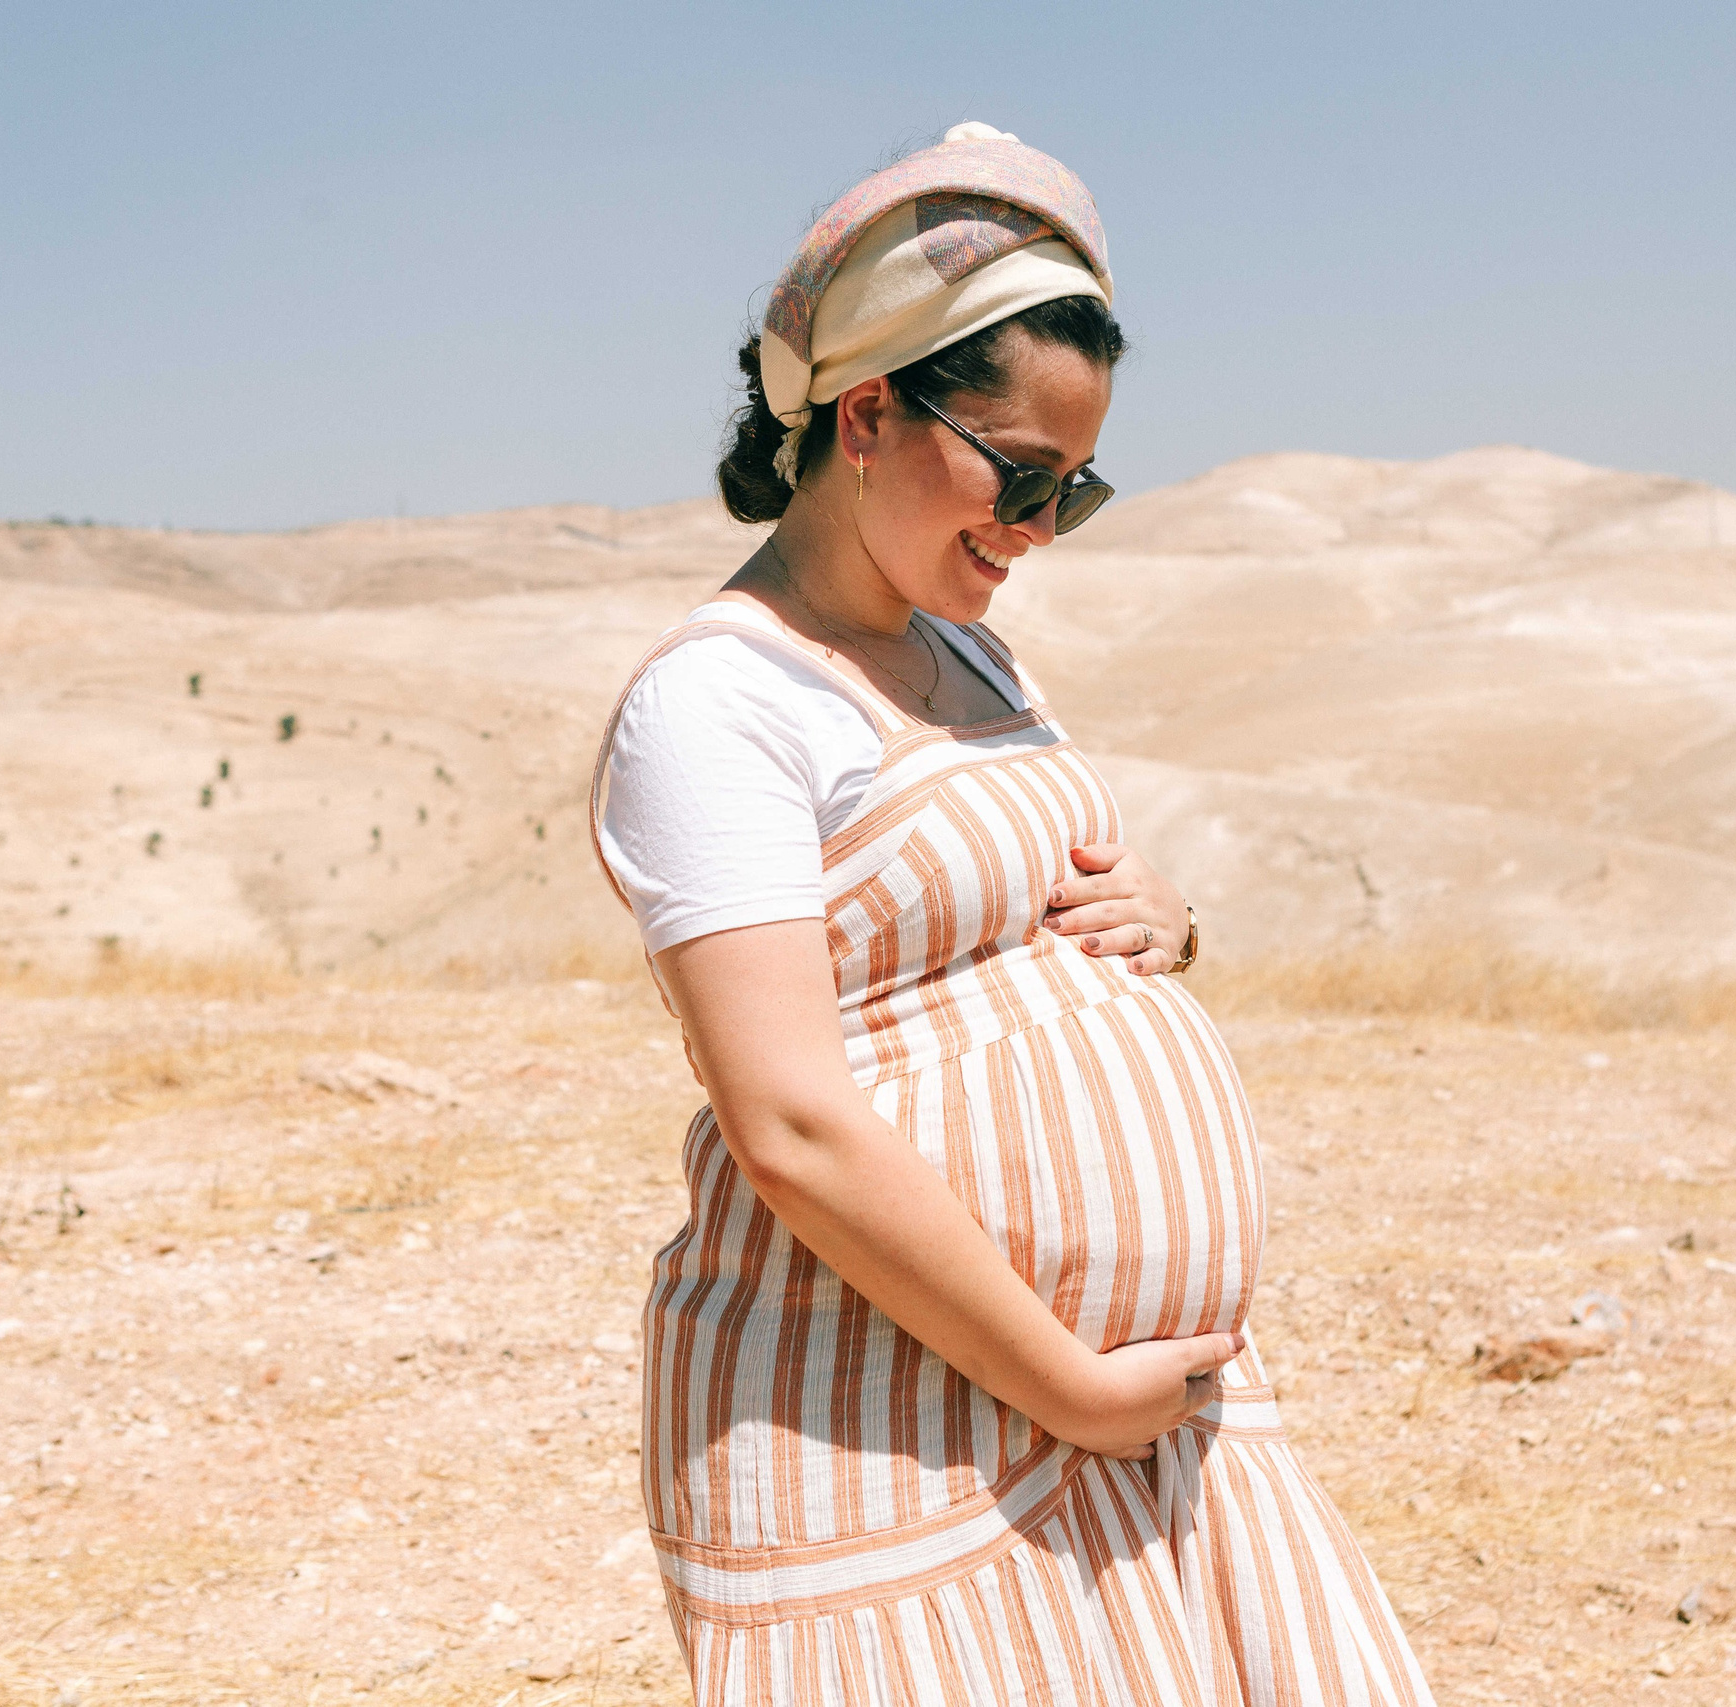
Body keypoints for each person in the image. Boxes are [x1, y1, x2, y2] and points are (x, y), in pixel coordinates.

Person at [590, 122, 1435, 1705]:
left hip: (1121, 1427)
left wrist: (1162, 921)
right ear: (866, 414)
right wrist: (1069, 1384)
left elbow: (1014, 909)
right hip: (887, 1429)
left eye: (1079, 488)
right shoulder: (717, 705)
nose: (1039, 530)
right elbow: (789, 1123)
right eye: (1022, 475)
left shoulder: (969, 648)